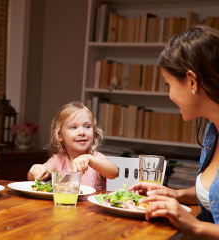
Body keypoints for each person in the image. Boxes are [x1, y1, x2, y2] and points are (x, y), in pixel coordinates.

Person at [128, 25, 219, 239]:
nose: (169, 95)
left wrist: (195, 226)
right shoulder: (212, 131)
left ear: (191, 81)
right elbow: (212, 195)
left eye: (168, 83)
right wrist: (175, 194)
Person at [27, 101, 118, 190]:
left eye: (87, 126)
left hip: (91, 205)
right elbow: (31, 178)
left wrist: (90, 159)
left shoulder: (95, 158)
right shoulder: (57, 160)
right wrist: (37, 170)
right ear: (60, 135)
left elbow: (114, 172)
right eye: (74, 127)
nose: (82, 132)